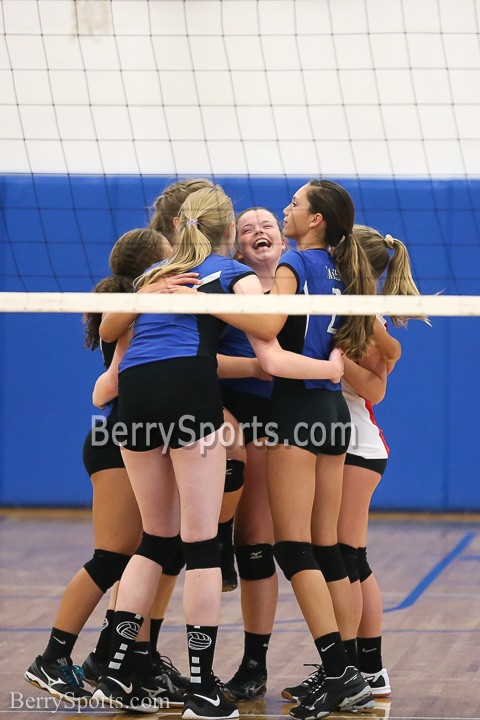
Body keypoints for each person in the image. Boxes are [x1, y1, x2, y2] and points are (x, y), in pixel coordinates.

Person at [92, 185, 344, 719]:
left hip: (135, 402)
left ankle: (111, 671)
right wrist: (212, 301)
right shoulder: (229, 274)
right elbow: (271, 326)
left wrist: (149, 295)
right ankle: (204, 690)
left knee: (154, 542)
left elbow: (109, 327)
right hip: (190, 395)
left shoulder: (152, 276)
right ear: (228, 232)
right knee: (202, 544)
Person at [24, 228, 184, 707]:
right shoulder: (135, 310)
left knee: (146, 555)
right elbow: (107, 387)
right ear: (151, 267)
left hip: (130, 441)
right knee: (113, 557)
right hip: (118, 442)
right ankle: (52, 658)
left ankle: (121, 662)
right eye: (168, 256)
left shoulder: (137, 306)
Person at [258, 180, 377, 719]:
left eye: (295, 204)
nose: (286, 209)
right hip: (333, 413)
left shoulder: (295, 265)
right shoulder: (343, 269)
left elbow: (269, 323)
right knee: (331, 549)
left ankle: (336, 673)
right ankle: (350, 670)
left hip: (298, 407)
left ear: (316, 221)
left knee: (293, 547)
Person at [337, 225, 427, 699]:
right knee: (347, 555)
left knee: (348, 557)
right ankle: (363, 668)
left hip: (358, 445)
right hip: (342, 443)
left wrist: (337, 361)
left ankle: (363, 668)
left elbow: (375, 387)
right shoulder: (348, 306)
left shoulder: (364, 314)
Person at [217, 207, 285, 701]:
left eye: (269, 227)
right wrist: (255, 368)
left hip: (279, 419)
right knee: (183, 541)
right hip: (218, 415)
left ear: (283, 243)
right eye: (248, 229)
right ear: (238, 248)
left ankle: (253, 664)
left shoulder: (299, 287)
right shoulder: (224, 288)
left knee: (257, 544)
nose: (259, 232)